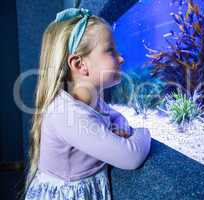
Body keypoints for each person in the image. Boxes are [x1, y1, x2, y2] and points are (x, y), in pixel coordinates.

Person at [23, 8, 151, 200]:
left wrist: (120, 128)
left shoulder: (90, 100)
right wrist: (143, 132)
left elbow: (115, 116)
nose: (121, 58)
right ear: (79, 64)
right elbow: (131, 157)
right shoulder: (67, 115)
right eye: (110, 50)